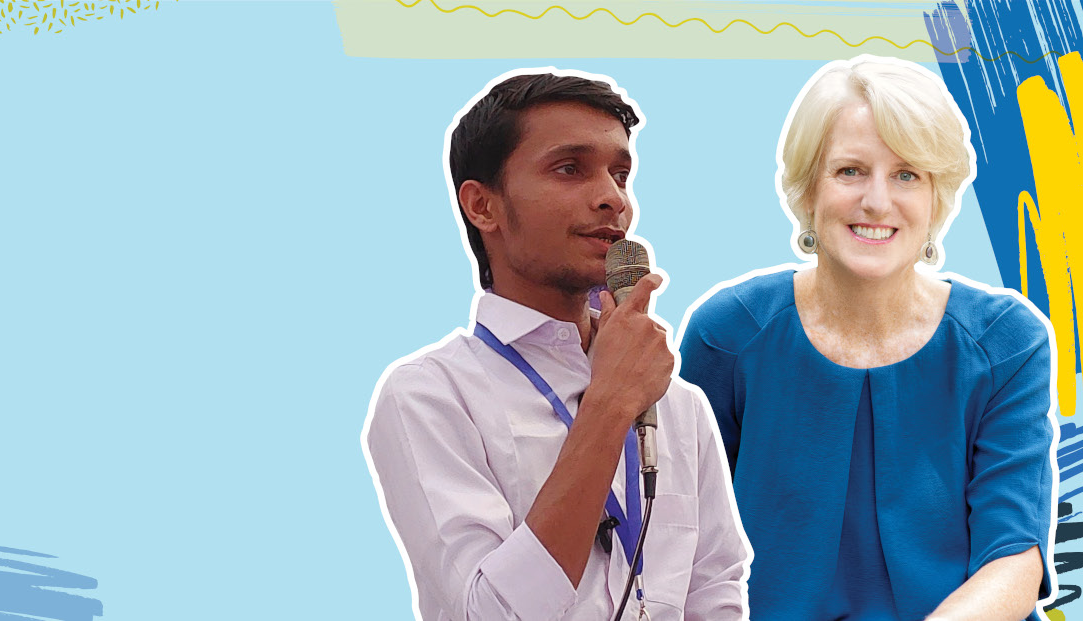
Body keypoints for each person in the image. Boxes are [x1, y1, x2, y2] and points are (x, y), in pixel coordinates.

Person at [677, 56, 1058, 621]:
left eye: (907, 175)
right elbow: (682, 541)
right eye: (850, 171)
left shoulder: (1006, 342)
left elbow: (1014, 559)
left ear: (936, 199)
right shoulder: (729, 334)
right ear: (807, 190)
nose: (877, 201)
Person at [362, 69, 750, 621]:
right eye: (570, 169)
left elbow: (715, 590)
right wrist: (609, 405)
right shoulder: (428, 396)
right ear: (483, 206)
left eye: (621, 174)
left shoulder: (678, 403)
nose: (612, 199)